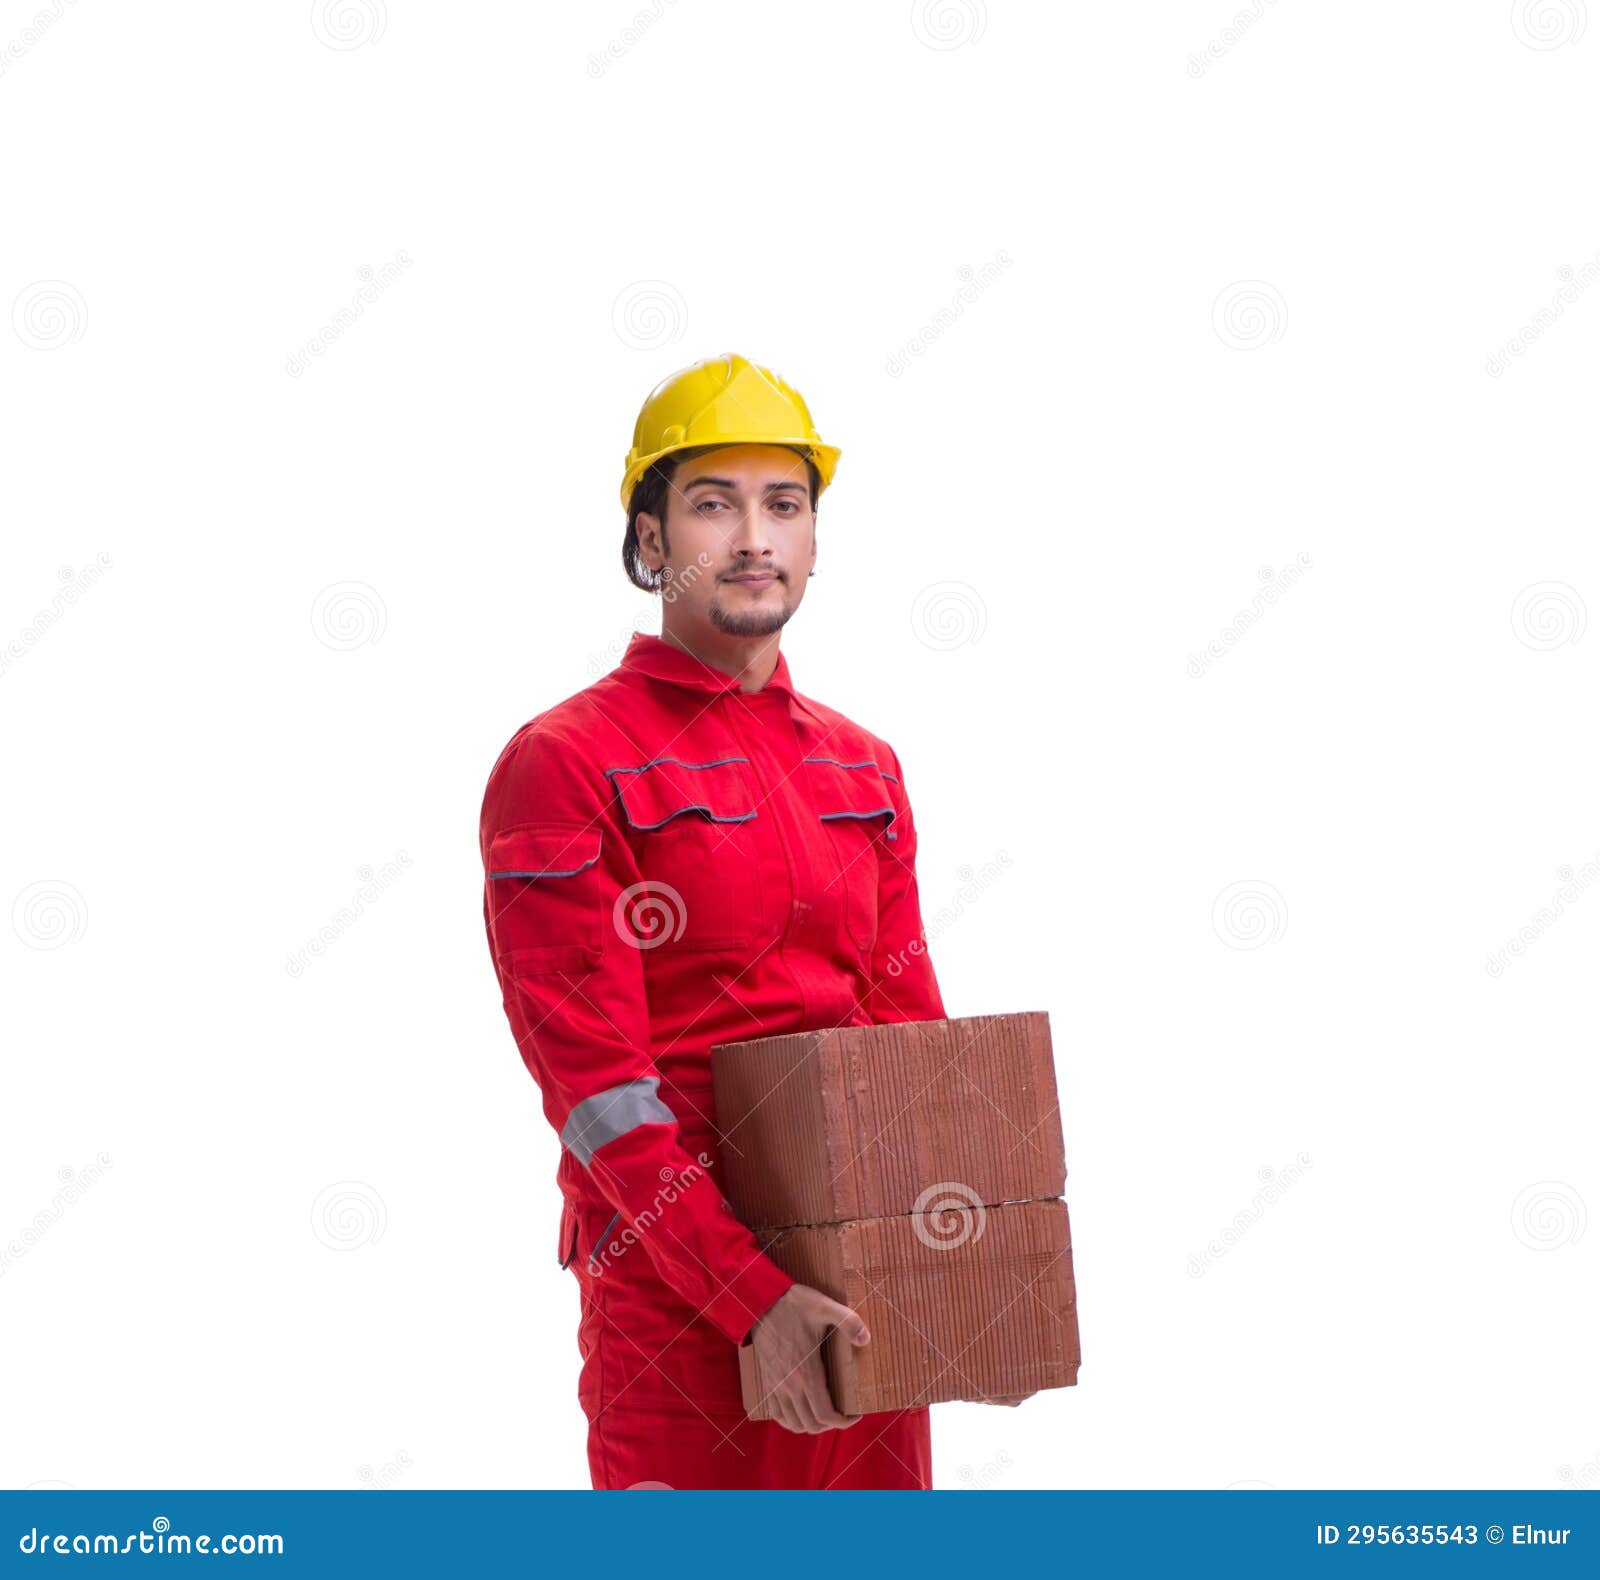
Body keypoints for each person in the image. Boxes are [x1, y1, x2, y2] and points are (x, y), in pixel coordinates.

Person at [479, 352, 995, 1491]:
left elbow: (912, 1046)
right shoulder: (566, 763)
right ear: (650, 541)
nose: (754, 535)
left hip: (861, 1287)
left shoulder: (863, 763)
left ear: (813, 537)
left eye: (784, 503)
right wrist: (747, 1297)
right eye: (713, 504)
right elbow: (597, 1092)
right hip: (678, 1307)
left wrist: (968, 1271)